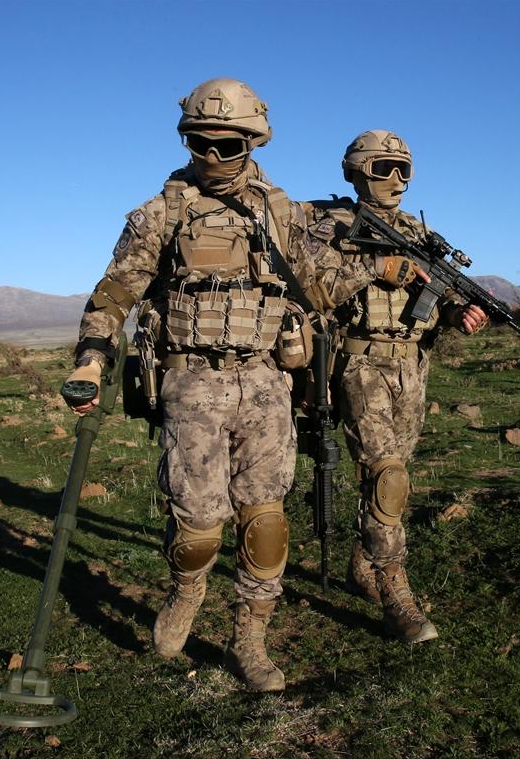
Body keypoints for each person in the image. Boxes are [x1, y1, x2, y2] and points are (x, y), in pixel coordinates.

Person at [61, 79, 329, 692]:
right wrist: (91, 359)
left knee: (265, 520)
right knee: (199, 526)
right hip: (191, 384)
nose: (212, 155)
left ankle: (249, 641)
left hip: (265, 383)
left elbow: (319, 290)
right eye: (199, 142)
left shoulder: (284, 214)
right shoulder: (161, 213)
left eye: (227, 145)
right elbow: (114, 293)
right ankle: (186, 592)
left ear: (252, 142)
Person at [301, 130, 488, 644]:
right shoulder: (331, 226)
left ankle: (363, 565)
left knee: (394, 476)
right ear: (357, 170)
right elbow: (313, 286)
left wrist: (460, 313)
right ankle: (395, 593)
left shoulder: (420, 233)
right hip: (360, 364)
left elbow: (441, 295)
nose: (398, 179)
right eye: (386, 167)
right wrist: (375, 268)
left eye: (406, 169)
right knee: (386, 475)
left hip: (412, 367)